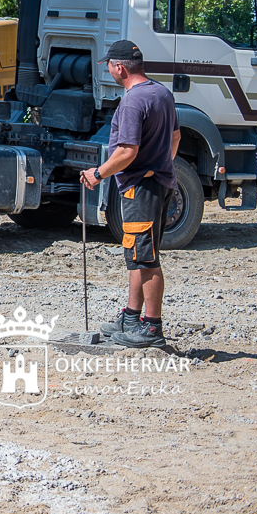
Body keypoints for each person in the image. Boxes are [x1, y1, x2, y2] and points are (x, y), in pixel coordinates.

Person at [81, 39, 181, 349]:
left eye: (110, 66)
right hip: (156, 184)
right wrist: (160, 165)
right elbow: (176, 137)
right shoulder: (161, 93)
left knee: (146, 259)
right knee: (137, 255)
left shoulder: (133, 102)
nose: (109, 71)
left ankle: (151, 328)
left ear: (120, 68)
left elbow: (127, 151)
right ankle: (131, 317)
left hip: (142, 189)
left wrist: (98, 174)